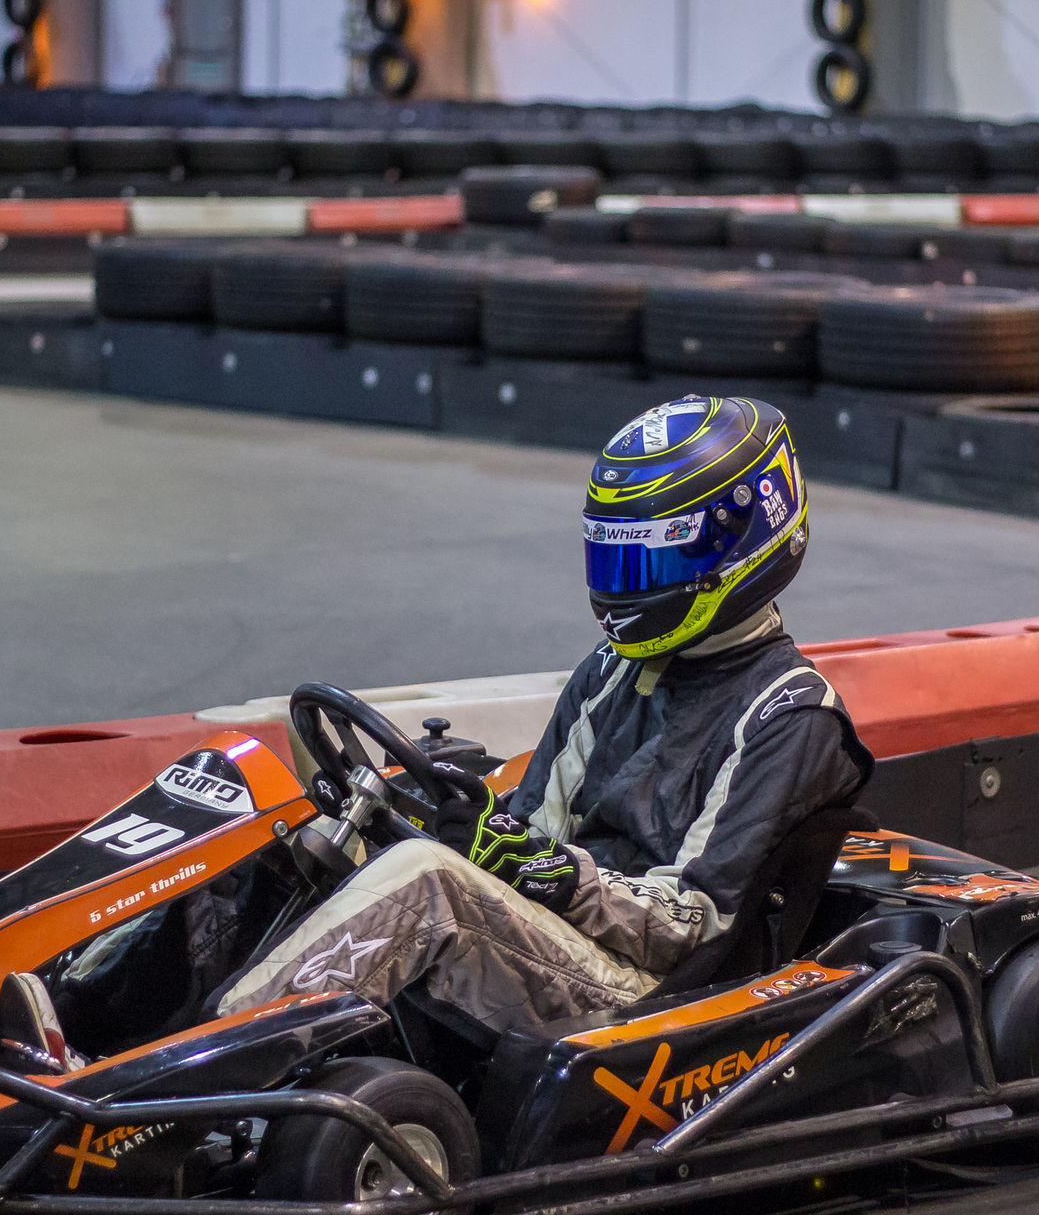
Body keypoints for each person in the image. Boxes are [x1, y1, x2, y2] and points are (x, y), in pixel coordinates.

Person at [214, 395, 873, 1032]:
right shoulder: (614, 670)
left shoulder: (789, 714)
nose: (626, 583)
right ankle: (138, 1025)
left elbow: (688, 924)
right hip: (565, 932)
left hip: (647, 987)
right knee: (304, 831)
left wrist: (551, 872)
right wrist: (472, 832)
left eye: (650, 557)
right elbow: (533, 827)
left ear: (740, 544)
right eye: (615, 556)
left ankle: (203, 1074)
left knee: (429, 884)